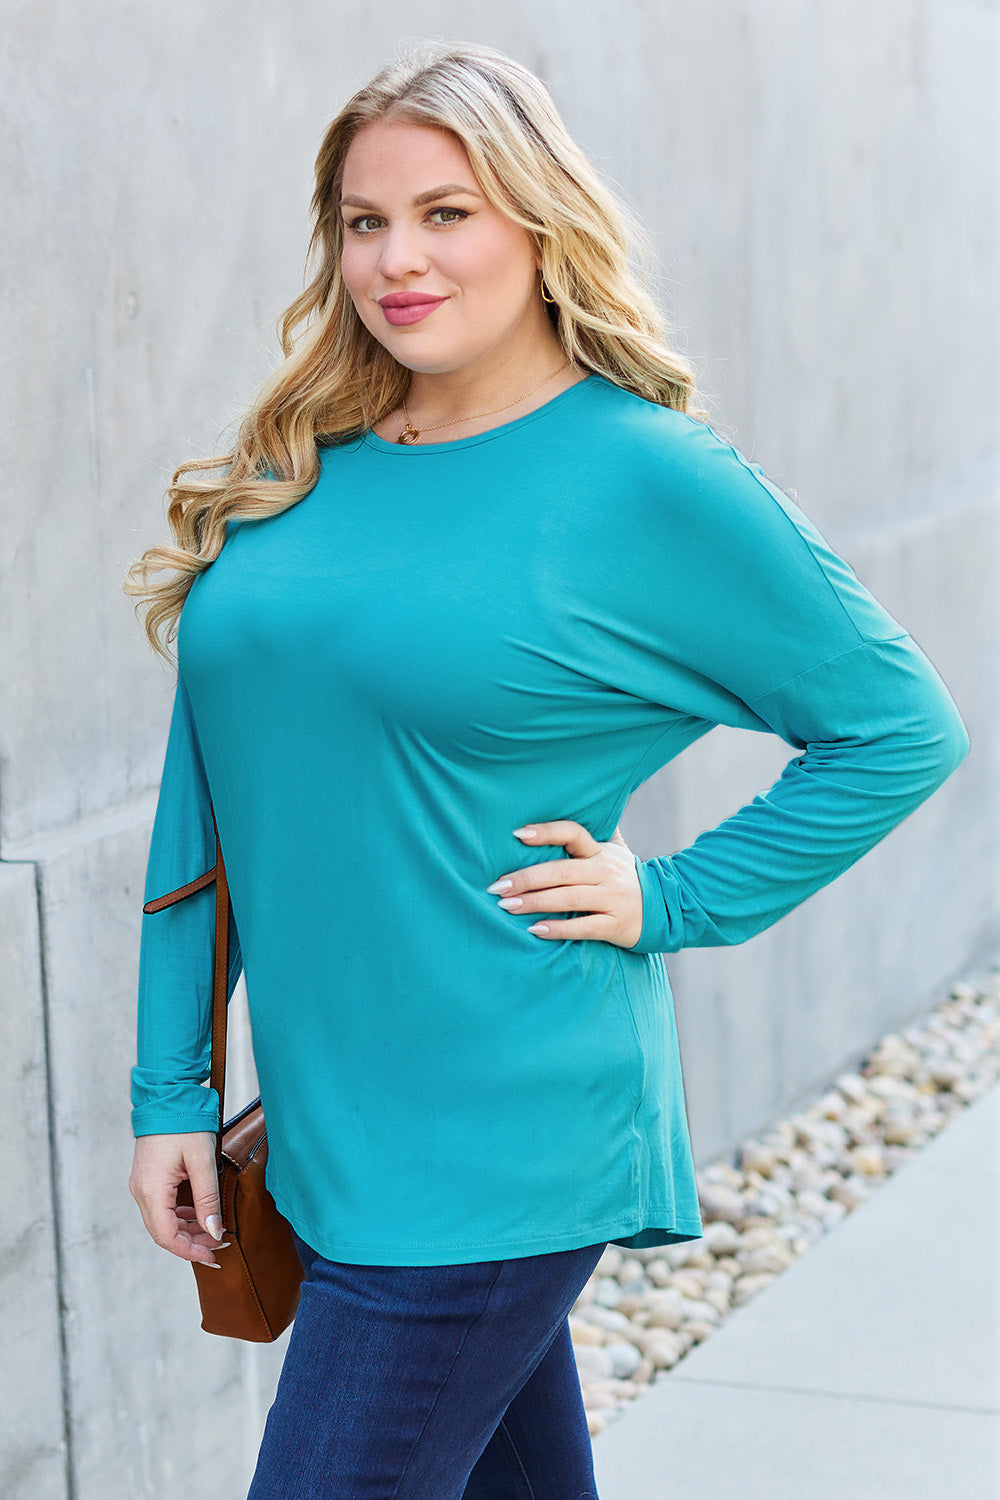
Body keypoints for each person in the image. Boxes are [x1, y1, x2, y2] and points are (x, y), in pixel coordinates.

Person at [123, 39, 969, 1500]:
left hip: (508, 1125)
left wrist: (676, 897)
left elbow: (900, 728)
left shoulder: (646, 477)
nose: (400, 259)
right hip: (332, 1126)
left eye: (449, 213)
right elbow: (206, 797)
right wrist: (169, 1090)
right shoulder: (303, 464)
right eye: (364, 219)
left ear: (537, 218)